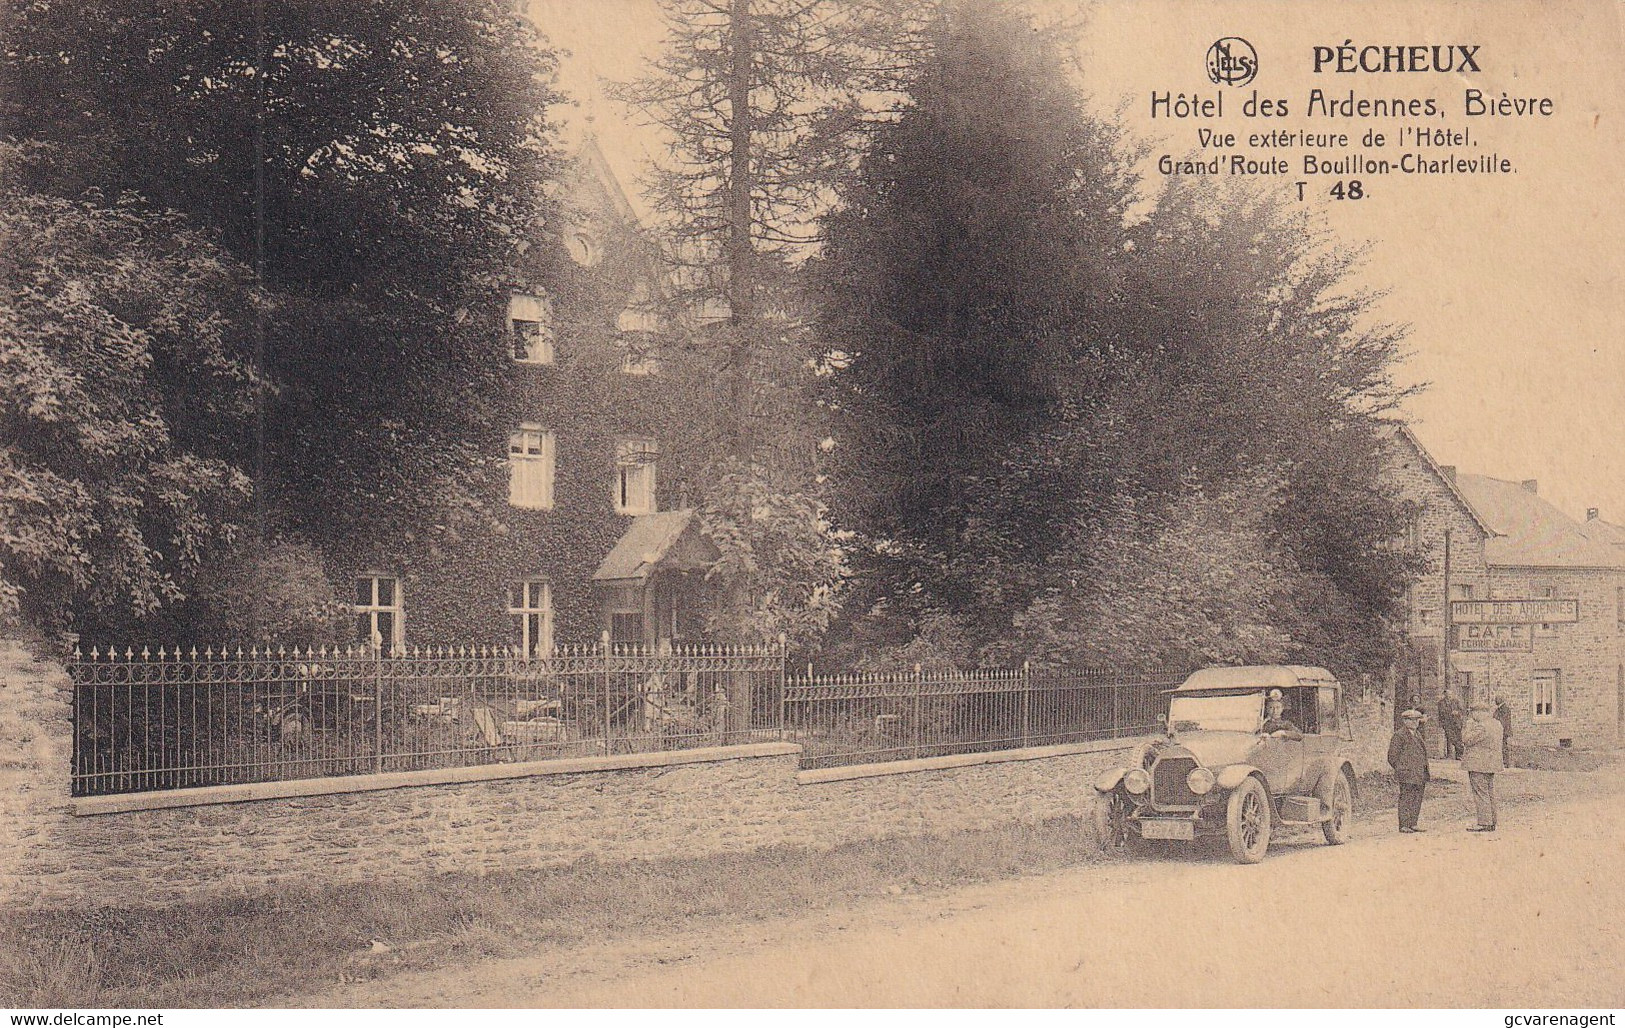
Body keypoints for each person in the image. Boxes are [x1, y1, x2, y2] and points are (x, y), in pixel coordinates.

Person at [1461, 699, 1503, 832]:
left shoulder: (1481, 726)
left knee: (1480, 792)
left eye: (1473, 713)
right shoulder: (1496, 724)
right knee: (1489, 792)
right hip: (1491, 763)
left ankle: (1484, 822)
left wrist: (1468, 726)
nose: (1472, 716)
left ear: (1480, 712)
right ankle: (1491, 821)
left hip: (1478, 763)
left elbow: (1466, 740)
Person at [1387, 708, 1431, 832]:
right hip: (1407, 773)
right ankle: (1404, 825)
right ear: (1405, 721)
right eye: (1411, 720)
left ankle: (1413, 823)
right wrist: (1401, 768)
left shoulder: (1418, 734)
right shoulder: (1399, 735)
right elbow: (1392, 756)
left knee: (1417, 797)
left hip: (1419, 772)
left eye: (1416, 720)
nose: (1415, 723)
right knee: (1406, 797)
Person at [1437, 691, 1464, 760]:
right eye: (1447, 694)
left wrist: (1457, 712)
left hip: (1456, 723)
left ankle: (1459, 755)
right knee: (1450, 737)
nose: (1449, 696)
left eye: (1450, 694)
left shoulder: (1456, 701)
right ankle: (1450, 754)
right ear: (1444, 695)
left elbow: (1461, 710)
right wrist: (1450, 713)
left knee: (1458, 738)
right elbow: (1441, 712)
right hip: (1447, 723)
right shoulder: (1441, 703)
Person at [1493, 695, 1513, 768]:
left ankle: (1505, 762)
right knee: (1501, 746)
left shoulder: (1504, 709)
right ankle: (1503, 762)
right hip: (1501, 730)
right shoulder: (1499, 709)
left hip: (1503, 731)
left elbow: (1503, 721)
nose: (1495, 701)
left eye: (1496, 700)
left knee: (1504, 746)